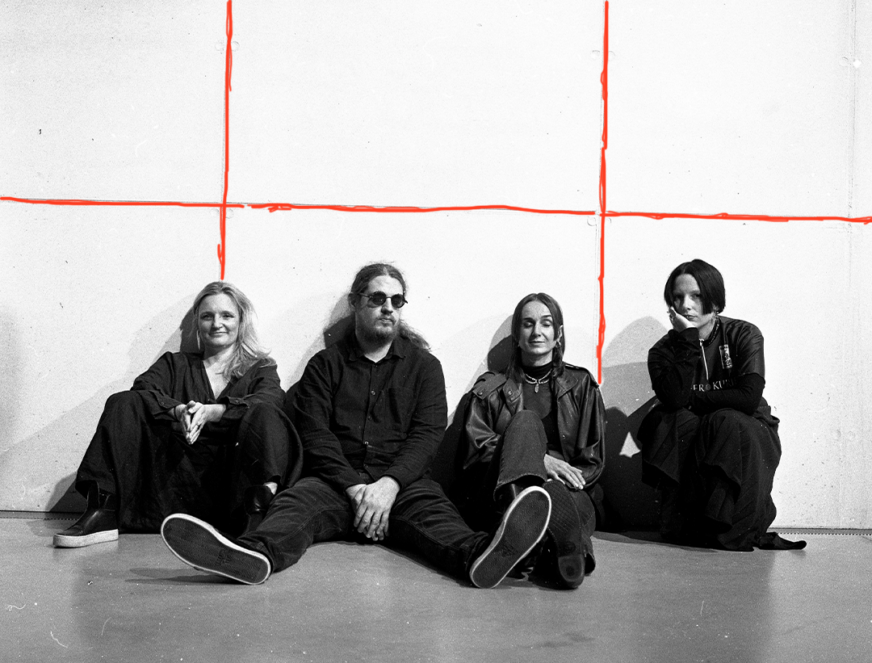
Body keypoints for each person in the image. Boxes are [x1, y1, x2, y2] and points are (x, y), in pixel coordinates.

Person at [161, 263, 552, 588]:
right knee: (291, 510)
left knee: (441, 522)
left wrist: (389, 485)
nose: (388, 308)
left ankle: (486, 556)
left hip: (403, 486)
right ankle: (250, 556)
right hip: (333, 485)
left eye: (396, 301)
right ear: (356, 303)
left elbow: (427, 435)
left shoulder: (425, 367)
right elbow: (315, 435)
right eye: (377, 299)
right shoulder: (325, 365)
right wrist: (355, 488)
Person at [54, 282, 301, 548]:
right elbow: (143, 390)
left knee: (265, 412)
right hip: (175, 486)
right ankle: (101, 511)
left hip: (233, 491)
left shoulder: (261, 369)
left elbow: (270, 400)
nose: (217, 323)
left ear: (241, 321)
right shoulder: (175, 364)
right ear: (198, 323)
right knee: (124, 402)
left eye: (227, 315)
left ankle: (256, 521)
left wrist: (214, 412)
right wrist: (177, 410)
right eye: (207, 316)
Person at [638, 259, 805, 551]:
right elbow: (674, 401)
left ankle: (733, 525)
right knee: (669, 420)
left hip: (746, 432)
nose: (685, 305)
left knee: (725, 421)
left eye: (696, 295)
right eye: (677, 297)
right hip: (699, 441)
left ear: (714, 300)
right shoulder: (663, 351)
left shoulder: (744, 334)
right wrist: (688, 340)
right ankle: (689, 522)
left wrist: (692, 400)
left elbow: (748, 398)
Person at [462, 293, 604, 589]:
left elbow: (591, 461)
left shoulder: (581, 385)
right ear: (517, 334)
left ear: (558, 334)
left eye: (546, 324)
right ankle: (527, 527)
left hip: (568, 490)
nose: (536, 331)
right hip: (503, 495)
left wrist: (555, 483)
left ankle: (547, 550)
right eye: (528, 324)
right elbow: (475, 451)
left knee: (565, 501)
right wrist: (538, 461)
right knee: (526, 421)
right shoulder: (491, 388)